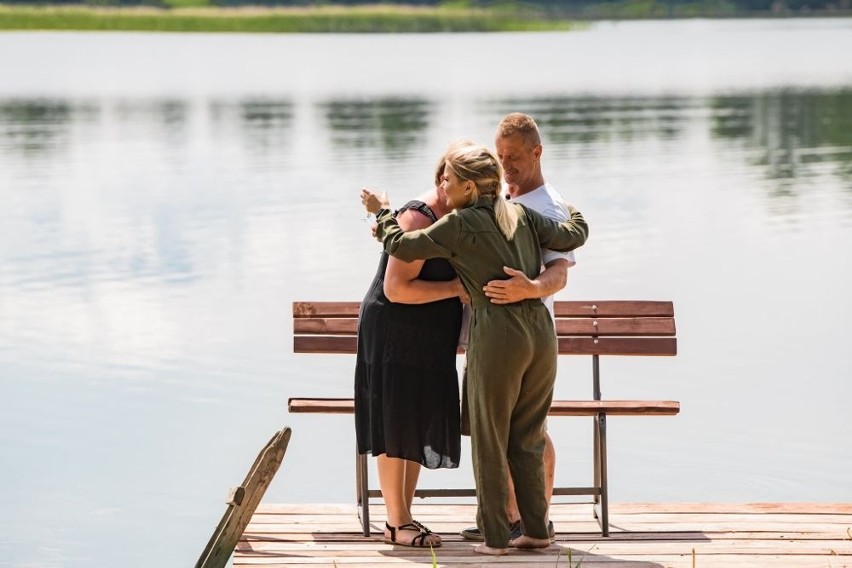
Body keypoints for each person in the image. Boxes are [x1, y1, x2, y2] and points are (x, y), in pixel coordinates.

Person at [361, 143, 588, 555]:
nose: (441, 185)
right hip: (540, 333)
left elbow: (403, 246)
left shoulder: (460, 224)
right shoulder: (519, 213)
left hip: (499, 336)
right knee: (528, 435)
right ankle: (537, 530)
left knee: (489, 436)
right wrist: (570, 207)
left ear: (467, 187)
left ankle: (497, 537)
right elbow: (576, 233)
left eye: (448, 179)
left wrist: (381, 212)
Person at [460, 112, 576, 544]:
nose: (505, 165)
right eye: (500, 157)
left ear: (537, 152)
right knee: (503, 430)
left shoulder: (547, 206)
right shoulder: (504, 198)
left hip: (527, 336)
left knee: (528, 432)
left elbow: (560, 274)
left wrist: (530, 288)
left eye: (513, 158)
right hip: (494, 336)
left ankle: (532, 520)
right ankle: (513, 519)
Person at [354, 145, 470, 549]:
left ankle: (402, 518)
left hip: (427, 336)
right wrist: (458, 288)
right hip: (395, 328)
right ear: (446, 180)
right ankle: (396, 522)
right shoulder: (420, 216)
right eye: (468, 186)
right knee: (395, 419)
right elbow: (396, 288)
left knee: (416, 417)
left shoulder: (455, 215)